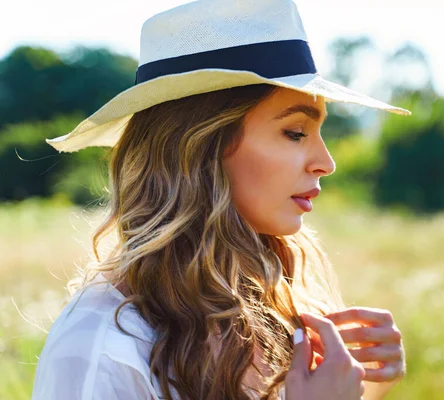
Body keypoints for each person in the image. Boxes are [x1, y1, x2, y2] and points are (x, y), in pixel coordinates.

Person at [32, 0, 410, 399]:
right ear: (199, 149)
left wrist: (369, 384)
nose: (326, 163)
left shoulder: (262, 313)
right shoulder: (100, 347)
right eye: (295, 132)